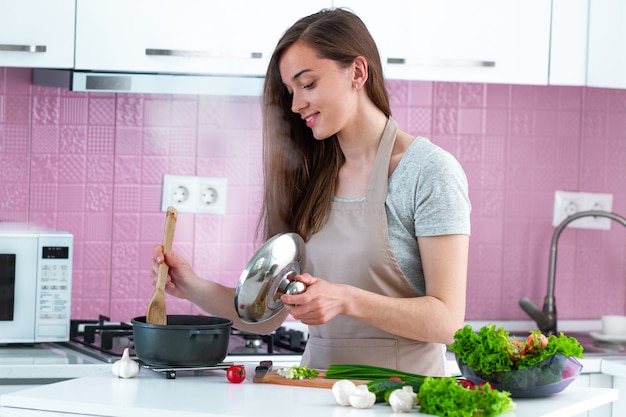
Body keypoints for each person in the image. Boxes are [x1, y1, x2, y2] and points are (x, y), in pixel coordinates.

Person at [151, 8, 470, 376]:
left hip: (403, 397)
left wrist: (345, 299)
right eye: (290, 91)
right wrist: (193, 287)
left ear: (357, 72)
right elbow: (267, 318)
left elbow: (448, 322)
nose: (295, 104)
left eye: (308, 84)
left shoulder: (428, 171)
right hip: (315, 393)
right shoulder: (310, 175)